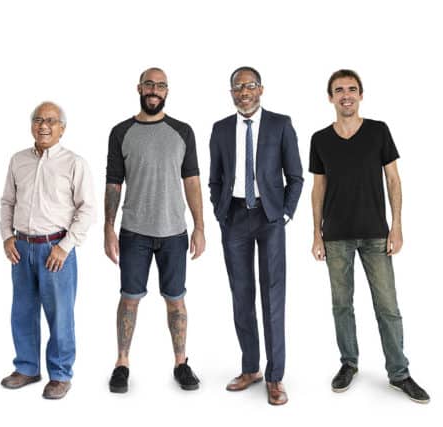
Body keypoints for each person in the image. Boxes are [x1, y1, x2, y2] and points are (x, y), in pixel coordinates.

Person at [310, 69, 429, 404]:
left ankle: (399, 373)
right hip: (335, 236)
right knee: (341, 306)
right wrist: (316, 234)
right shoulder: (320, 139)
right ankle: (349, 363)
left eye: (351, 89)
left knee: (388, 307)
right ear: (330, 97)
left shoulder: (378, 131)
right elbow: (318, 189)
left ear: (361, 94)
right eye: (338, 90)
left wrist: (398, 226)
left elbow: (393, 180)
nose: (345, 94)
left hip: (377, 234)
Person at [103, 67, 205, 394]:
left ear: (167, 91)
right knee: (129, 299)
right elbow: (113, 183)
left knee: (176, 300)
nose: (154, 90)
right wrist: (108, 227)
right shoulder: (121, 131)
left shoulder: (183, 131)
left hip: (174, 232)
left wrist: (200, 226)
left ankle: (181, 362)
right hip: (134, 231)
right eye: (149, 84)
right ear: (139, 88)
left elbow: (191, 181)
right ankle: (122, 363)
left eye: (160, 85)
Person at [209, 66, 303, 406]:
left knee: (273, 297)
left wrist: (285, 213)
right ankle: (251, 367)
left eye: (250, 85)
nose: (244, 92)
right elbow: (215, 178)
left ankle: (275, 377)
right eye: (238, 87)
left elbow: (295, 175)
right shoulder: (220, 129)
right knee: (241, 296)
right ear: (231, 92)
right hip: (233, 217)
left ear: (261, 89)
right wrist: (220, 213)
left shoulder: (280, 124)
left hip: (270, 217)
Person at [0, 101, 96, 400]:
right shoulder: (18, 160)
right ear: (31, 125)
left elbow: (87, 208)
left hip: (56, 250)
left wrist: (65, 247)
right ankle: (27, 367)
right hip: (22, 248)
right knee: (23, 311)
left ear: (62, 128)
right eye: (39, 120)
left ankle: (60, 374)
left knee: (60, 315)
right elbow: (7, 203)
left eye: (51, 121)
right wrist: (6, 237)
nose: (44, 125)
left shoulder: (74, 163)